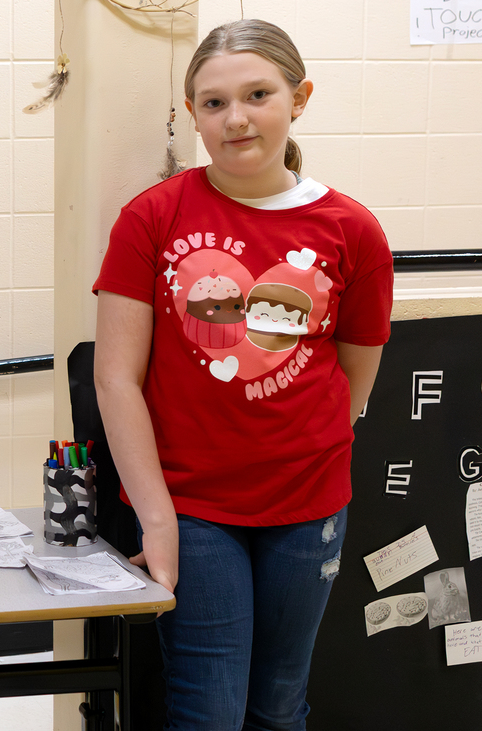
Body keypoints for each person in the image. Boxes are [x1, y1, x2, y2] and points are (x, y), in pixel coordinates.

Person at [92, 19, 393, 731]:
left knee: (281, 702)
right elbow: (116, 380)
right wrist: (157, 516)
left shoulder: (354, 231)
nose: (235, 118)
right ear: (193, 114)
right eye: (214, 103)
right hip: (192, 507)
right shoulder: (152, 217)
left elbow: (355, 374)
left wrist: (305, 449)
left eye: (257, 94)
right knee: (209, 710)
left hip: (309, 502)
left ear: (300, 98)